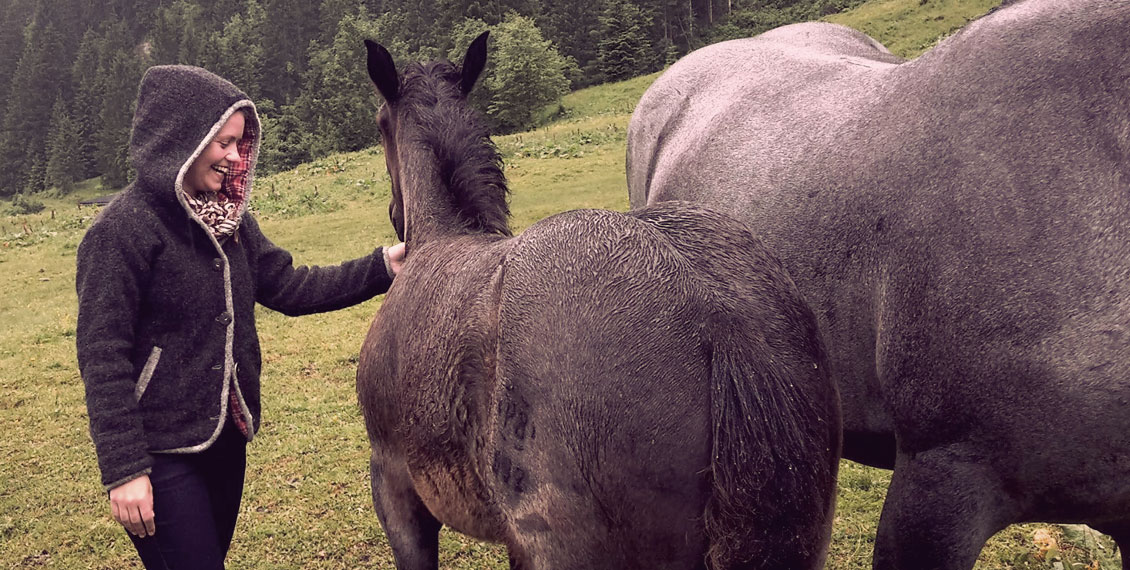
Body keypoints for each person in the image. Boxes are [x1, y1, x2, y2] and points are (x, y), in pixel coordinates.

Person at [74, 65, 405, 569]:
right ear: (182, 139)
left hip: (226, 439)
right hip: (161, 455)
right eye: (222, 143)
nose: (233, 158)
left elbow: (292, 286)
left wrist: (383, 265)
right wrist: (124, 470)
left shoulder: (231, 222)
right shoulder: (120, 233)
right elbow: (102, 356)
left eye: (238, 144)